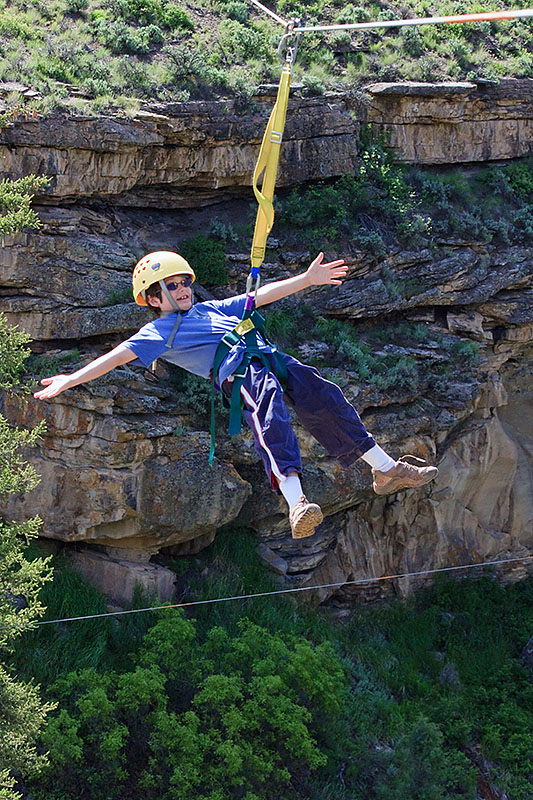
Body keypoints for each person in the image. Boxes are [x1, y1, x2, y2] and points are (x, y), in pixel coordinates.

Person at [34, 250, 438, 539]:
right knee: (272, 417)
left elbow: (260, 297)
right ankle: (297, 503)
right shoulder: (158, 332)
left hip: (271, 358)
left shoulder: (213, 309)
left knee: (326, 398)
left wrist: (306, 280)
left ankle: (384, 468)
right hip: (240, 374)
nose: (183, 289)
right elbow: (114, 358)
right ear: (154, 299)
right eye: (171, 286)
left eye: (184, 282)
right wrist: (70, 379)